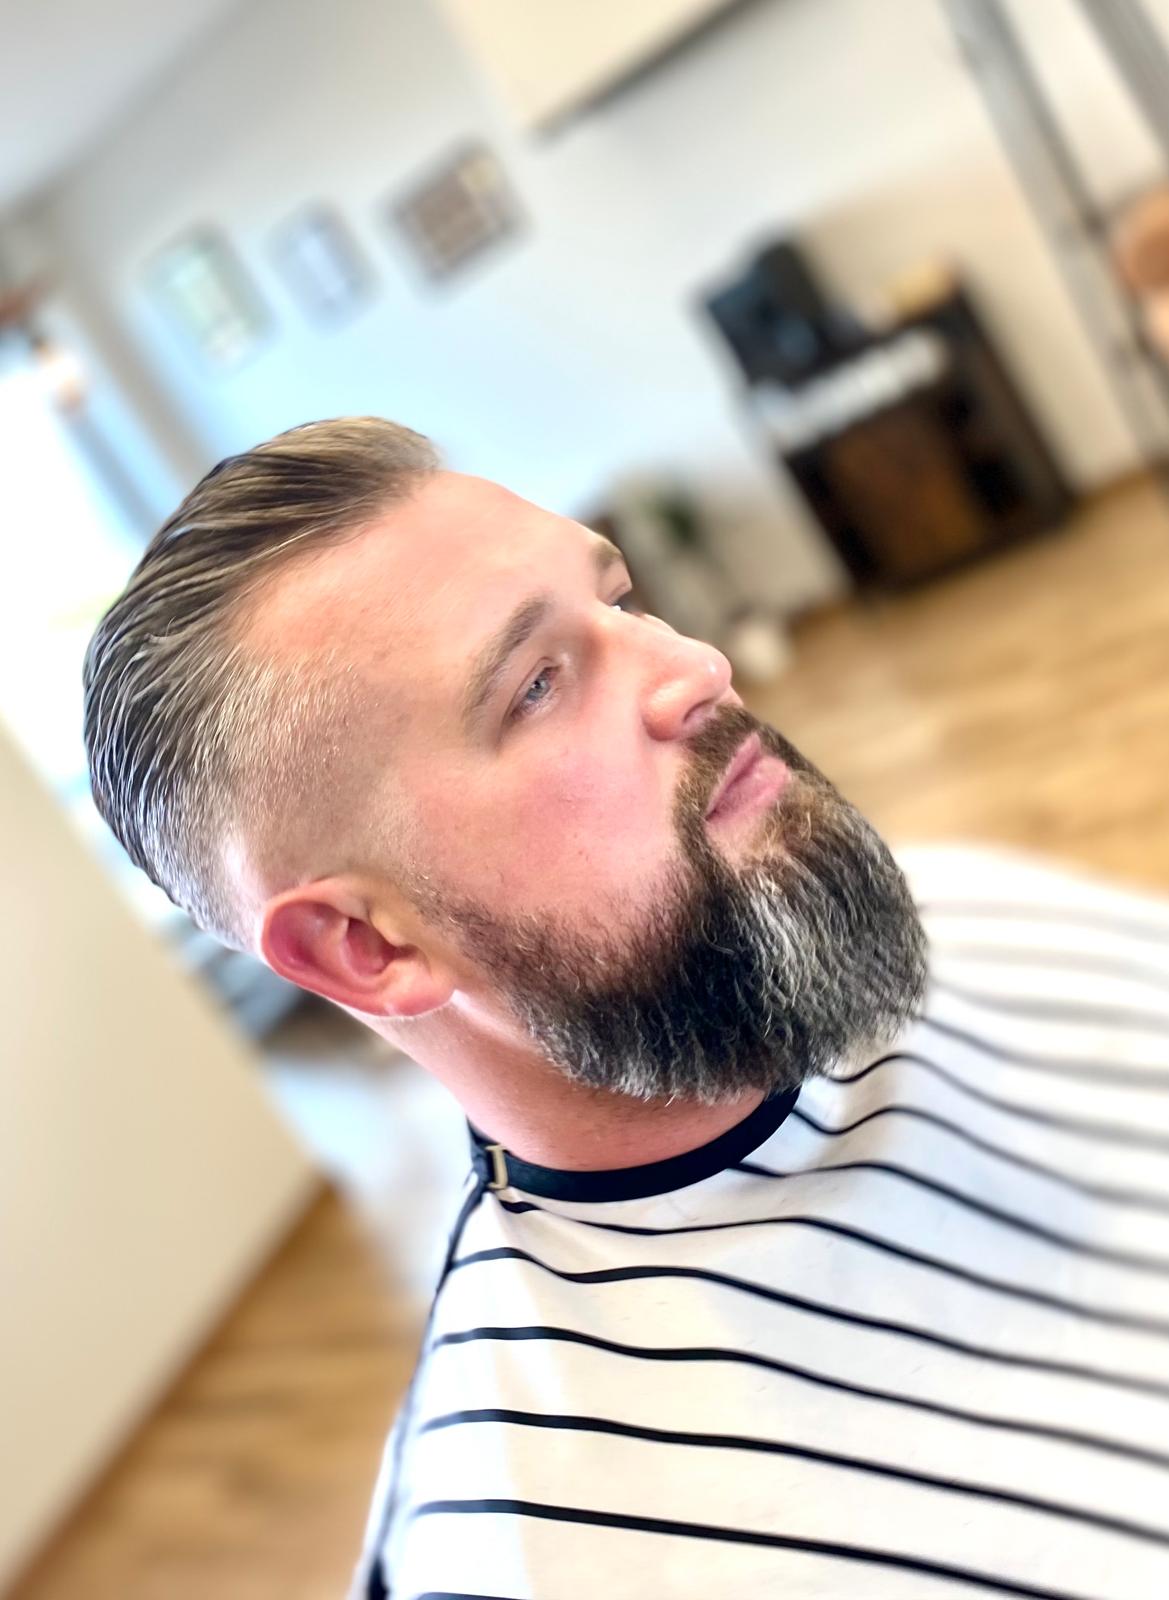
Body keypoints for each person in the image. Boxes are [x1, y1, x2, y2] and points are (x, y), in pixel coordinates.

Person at [83, 418, 1169, 1600]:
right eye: (538, 684)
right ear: (368, 945)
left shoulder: (948, 901)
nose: (696, 666)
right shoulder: (536, 1557)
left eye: (617, 598)